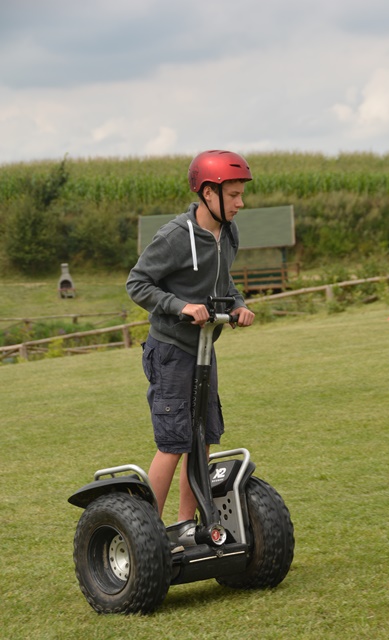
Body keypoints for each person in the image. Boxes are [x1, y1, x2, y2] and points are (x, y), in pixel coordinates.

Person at [126, 150, 255, 522]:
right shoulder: (175, 237)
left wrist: (238, 305)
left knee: (203, 439)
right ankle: (147, 532)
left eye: (241, 194)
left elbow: (224, 281)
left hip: (203, 350)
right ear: (208, 193)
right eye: (233, 195)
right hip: (170, 350)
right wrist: (180, 306)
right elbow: (137, 283)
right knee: (174, 442)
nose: (240, 203)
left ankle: (184, 526)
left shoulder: (228, 233)